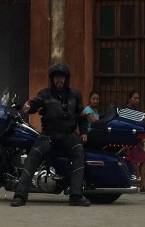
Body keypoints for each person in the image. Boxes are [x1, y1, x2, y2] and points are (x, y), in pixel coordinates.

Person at [11, 63, 90, 208]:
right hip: (48, 135)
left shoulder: (75, 95)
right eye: (56, 77)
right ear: (52, 79)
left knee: (79, 152)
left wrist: (84, 132)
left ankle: (76, 196)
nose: (59, 80)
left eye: (62, 77)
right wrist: (28, 108)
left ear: (66, 79)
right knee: (33, 155)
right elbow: (35, 105)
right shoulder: (44, 94)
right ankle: (20, 196)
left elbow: (81, 116)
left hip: (68, 135)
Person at [125, 90, 145, 193]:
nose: (137, 100)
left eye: (138, 98)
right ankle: (142, 184)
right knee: (141, 159)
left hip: (135, 141)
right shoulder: (127, 111)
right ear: (129, 99)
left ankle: (142, 183)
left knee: (140, 160)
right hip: (129, 141)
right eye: (135, 98)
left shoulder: (134, 111)